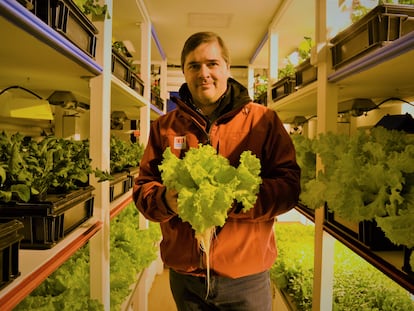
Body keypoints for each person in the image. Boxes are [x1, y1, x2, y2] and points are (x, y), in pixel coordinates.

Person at [133, 31, 301, 310]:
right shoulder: (164, 127)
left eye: (212, 64)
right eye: (194, 66)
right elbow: (143, 189)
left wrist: (237, 200)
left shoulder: (263, 121)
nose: (204, 73)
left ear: (226, 67)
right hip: (187, 279)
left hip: (246, 277)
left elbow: (289, 188)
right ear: (184, 72)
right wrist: (165, 200)